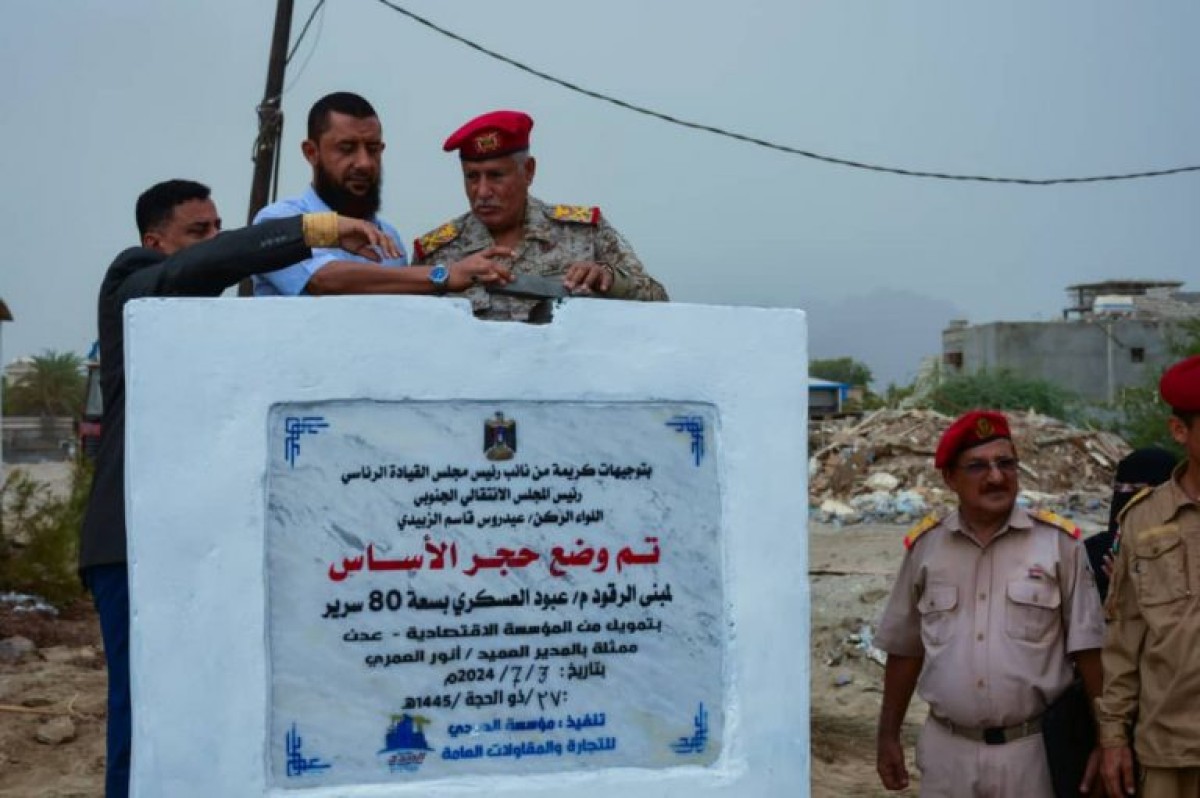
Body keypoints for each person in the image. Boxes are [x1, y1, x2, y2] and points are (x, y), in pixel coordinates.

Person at [79, 179, 398, 797]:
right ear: (155, 241)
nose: (213, 242)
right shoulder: (134, 279)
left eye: (218, 228)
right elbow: (194, 270)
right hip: (129, 546)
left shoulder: (218, 319)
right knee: (143, 720)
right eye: (197, 231)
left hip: (197, 541)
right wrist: (316, 232)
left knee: (205, 715)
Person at [874, 410, 1106, 797]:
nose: (996, 477)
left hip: (1032, 755)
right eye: (978, 466)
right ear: (950, 478)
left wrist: (1106, 741)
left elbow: (1089, 652)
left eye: (1006, 463)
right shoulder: (926, 550)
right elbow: (904, 649)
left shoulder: (1058, 545)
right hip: (948, 753)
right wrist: (887, 735)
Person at [412, 109, 669, 322]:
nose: (482, 191)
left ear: (529, 171)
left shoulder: (584, 233)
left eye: (496, 176)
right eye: (472, 177)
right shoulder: (437, 256)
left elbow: (659, 301)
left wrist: (610, 279)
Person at [253, 91, 512, 297]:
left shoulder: (389, 239)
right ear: (311, 153)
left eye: (373, 149)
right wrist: (443, 276)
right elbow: (325, 280)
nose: (364, 163)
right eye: (347, 148)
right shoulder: (279, 222)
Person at [1098, 355, 1200, 798]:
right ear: (1180, 431)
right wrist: (1113, 738)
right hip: (1168, 752)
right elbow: (1125, 639)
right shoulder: (1142, 520)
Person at [1084, 447, 1178, 601]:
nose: (1124, 494)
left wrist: (1138, 588)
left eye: (1135, 489)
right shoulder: (1094, 551)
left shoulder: (1186, 553)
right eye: (1119, 487)